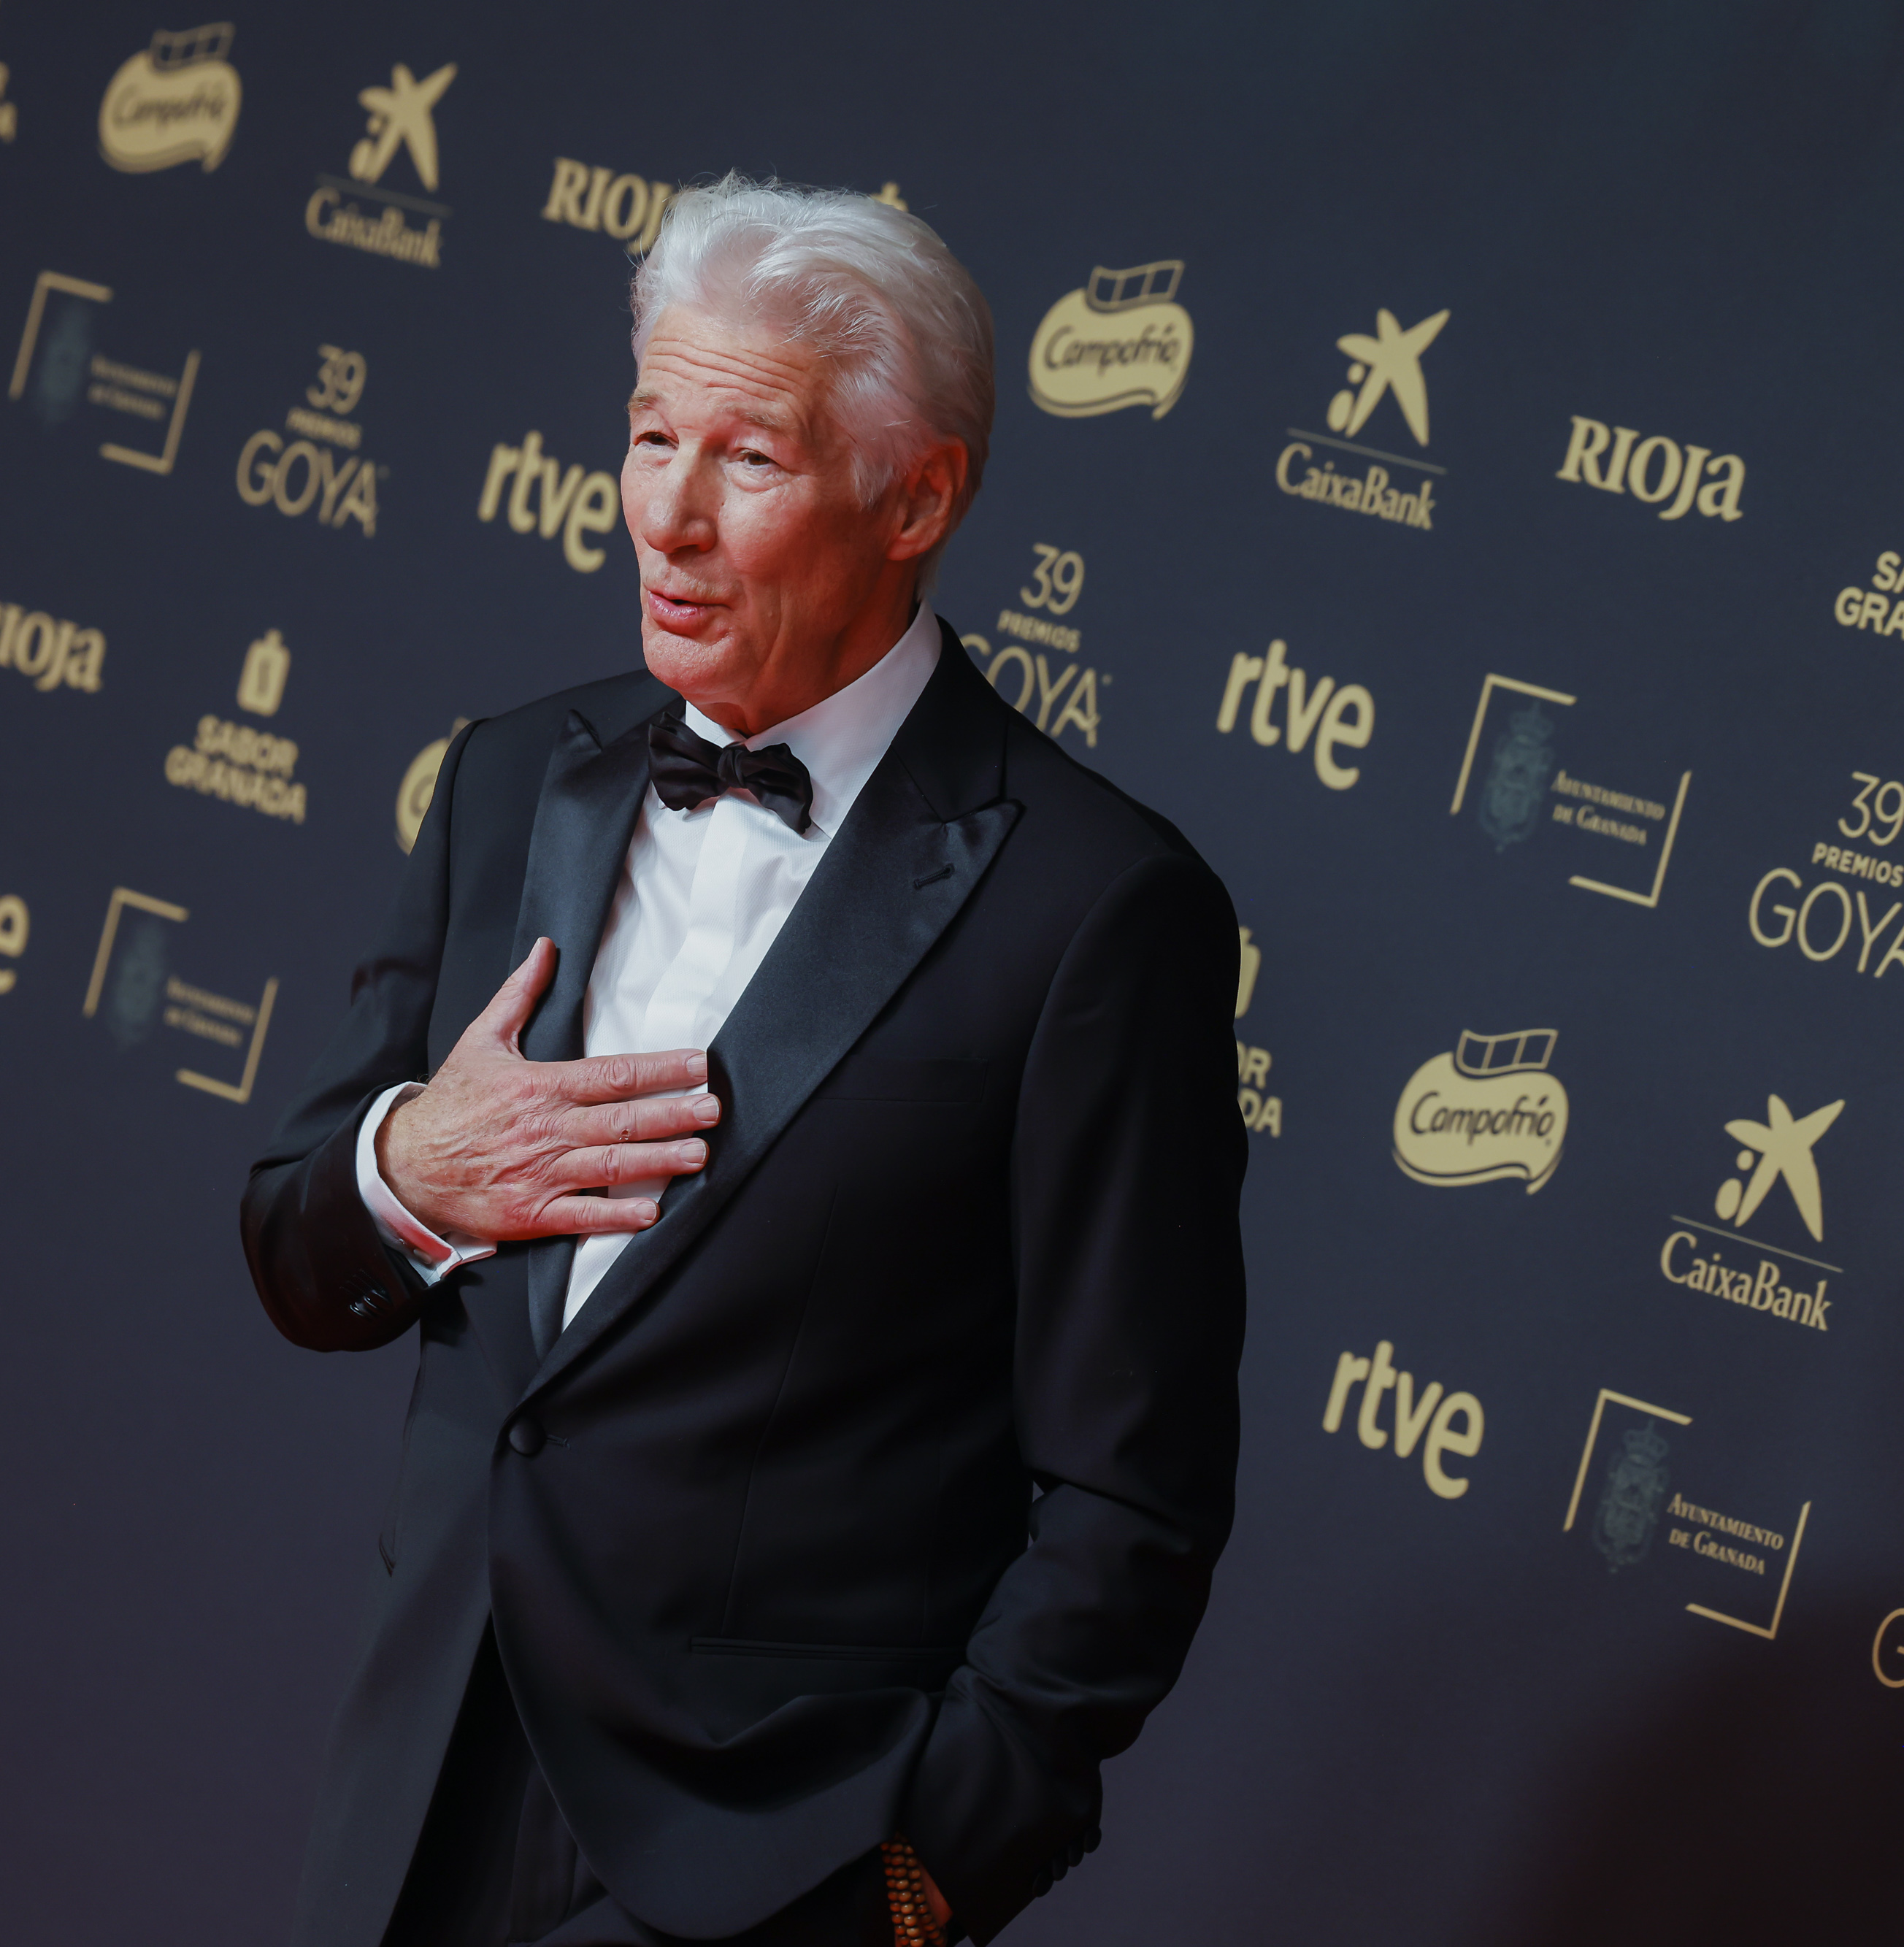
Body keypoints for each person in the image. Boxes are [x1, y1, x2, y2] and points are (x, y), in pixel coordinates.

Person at [240, 174, 1246, 1947]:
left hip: (768, 1864)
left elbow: (1129, 1491)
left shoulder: (1095, 907)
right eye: (646, 438)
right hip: (410, 1803)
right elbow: (296, 1253)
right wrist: (408, 1171)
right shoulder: (503, 781)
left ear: (914, 492)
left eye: (751, 461)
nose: (667, 521)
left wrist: (917, 1879)